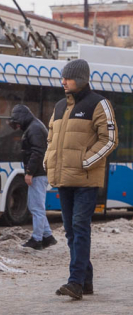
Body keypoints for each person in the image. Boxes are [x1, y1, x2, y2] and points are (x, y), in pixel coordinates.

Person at [45, 59, 118, 300]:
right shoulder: (58, 107)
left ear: (82, 79)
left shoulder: (99, 104)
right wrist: (48, 161)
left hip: (85, 180)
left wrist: (85, 161)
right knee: (70, 231)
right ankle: (85, 281)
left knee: (79, 226)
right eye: (62, 77)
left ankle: (75, 282)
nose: (62, 81)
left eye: (67, 77)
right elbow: (50, 139)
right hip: (64, 178)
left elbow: (109, 139)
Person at [9, 104, 57, 250]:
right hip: (40, 172)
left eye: (17, 122)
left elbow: (37, 152)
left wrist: (29, 172)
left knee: (36, 207)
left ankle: (37, 239)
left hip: (38, 173)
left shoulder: (34, 128)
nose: (17, 125)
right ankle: (48, 236)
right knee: (35, 206)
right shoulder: (35, 126)